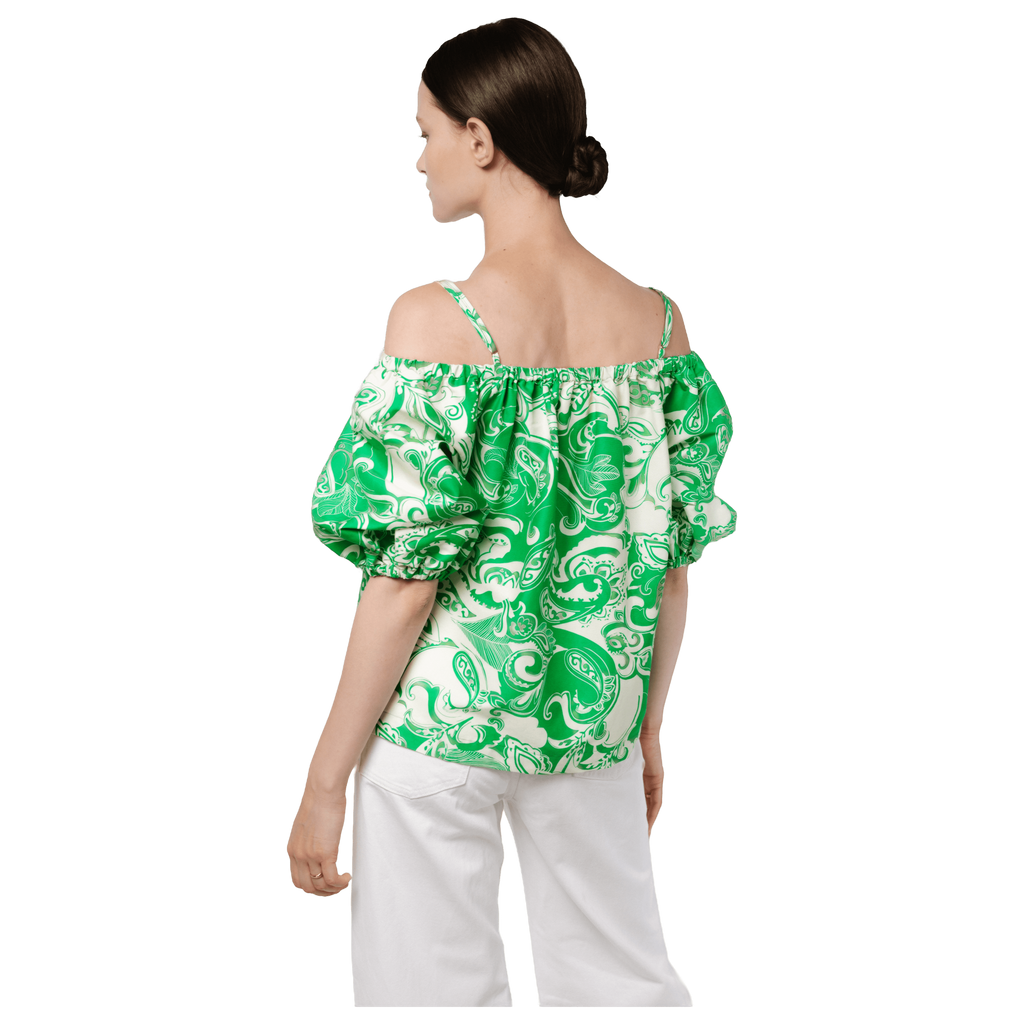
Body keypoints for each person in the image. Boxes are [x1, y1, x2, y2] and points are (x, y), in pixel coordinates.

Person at [287, 14, 739, 1010]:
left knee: (427, 998)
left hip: (439, 731)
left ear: (480, 139)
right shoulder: (661, 324)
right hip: (594, 725)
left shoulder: (434, 322)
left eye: (424, 134)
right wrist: (648, 730)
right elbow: (672, 561)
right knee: (623, 990)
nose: (418, 161)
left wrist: (326, 781)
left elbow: (403, 586)